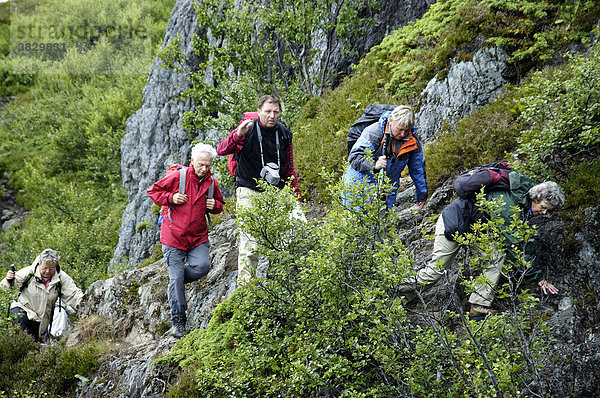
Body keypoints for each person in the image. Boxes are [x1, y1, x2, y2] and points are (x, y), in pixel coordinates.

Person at [398, 172, 566, 319]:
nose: (543, 213)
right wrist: (537, 277)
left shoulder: (523, 199)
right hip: (453, 224)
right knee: (435, 272)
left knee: (497, 255)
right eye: (543, 207)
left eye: (548, 211)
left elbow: (519, 239)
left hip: (474, 230)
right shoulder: (510, 204)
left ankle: (479, 305)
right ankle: (393, 287)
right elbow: (515, 242)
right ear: (536, 198)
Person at [217, 95, 302, 283]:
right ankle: (245, 289)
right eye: (268, 112)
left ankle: (283, 282)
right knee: (250, 244)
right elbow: (222, 150)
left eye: (276, 112)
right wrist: (237, 135)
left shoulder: (285, 134)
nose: (272, 116)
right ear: (259, 112)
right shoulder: (247, 129)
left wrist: (296, 198)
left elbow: (289, 169)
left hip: (277, 189)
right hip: (248, 188)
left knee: (296, 230)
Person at [147, 143, 224, 338]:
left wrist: (215, 205)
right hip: (173, 237)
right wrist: (171, 198)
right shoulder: (178, 177)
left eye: (208, 165)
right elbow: (153, 192)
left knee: (202, 267)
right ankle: (178, 322)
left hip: (198, 237)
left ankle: (176, 283)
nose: (204, 169)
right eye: (200, 165)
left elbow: (220, 205)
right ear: (192, 162)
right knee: (175, 277)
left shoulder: (211, 183)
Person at [343, 105, 428, 210]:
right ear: (390, 120)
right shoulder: (374, 132)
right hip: (359, 184)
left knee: (384, 222)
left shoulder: (412, 142)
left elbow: (418, 169)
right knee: (358, 222)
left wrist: (421, 194)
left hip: (388, 188)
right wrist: (374, 164)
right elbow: (355, 157)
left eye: (407, 130)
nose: (403, 134)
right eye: (400, 129)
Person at [1, 248, 83, 342]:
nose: (47, 271)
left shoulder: (61, 278)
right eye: (44, 268)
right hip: (23, 309)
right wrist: (8, 280)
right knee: (21, 338)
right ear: (40, 263)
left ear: (55, 266)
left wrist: (85, 303)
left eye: (51, 268)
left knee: (33, 345)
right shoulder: (28, 273)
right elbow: (6, 288)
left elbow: (73, 294)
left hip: (42, 319)